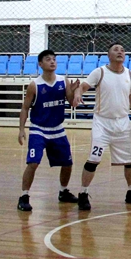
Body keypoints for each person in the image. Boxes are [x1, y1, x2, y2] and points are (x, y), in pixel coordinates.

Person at [72, 43, 131, 210]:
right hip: (102, 122)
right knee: (93, 159)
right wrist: (77, 93)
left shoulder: (129, 74)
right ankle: (83, 193)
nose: (120, 52)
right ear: (108, 55)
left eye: (122, 50)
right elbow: (83, 86)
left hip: (122, 122)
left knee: (130, 161)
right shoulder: (99, 72)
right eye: (116, 49)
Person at [17, 50, 80, 211]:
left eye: (54, 59)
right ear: (40, 64)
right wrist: (21, 129)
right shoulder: (34, 85)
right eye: (48, 59)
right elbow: (25, 108)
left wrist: (73, 92)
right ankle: (24, 196)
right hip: (39, 129)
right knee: (33, 163)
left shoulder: (63, 81)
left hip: (57, 129)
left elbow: (72, 103)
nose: (52, 62)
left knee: (68, 163)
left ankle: (63, 191)